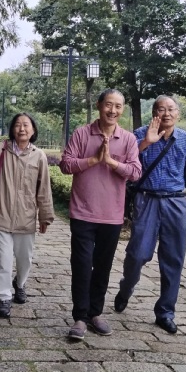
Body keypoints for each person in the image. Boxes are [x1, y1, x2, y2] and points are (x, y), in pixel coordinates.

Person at [114, 95, 186, 334]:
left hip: (176, 202)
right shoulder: (139, 134)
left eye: (171, 109)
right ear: (154, 112)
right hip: (147, 200)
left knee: (173, 258)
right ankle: (126, 288)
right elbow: (125, 163)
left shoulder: (185, 139)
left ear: (178, 113)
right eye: (161, 109)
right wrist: (146, 141)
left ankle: (165, 312)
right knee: (138, 254)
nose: (166, 114)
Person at [60, 89, 142, 340]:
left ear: (122, 110)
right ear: (99, 105)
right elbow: (65, 164)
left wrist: (111, 162)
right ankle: (80, 317)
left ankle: (95, 313)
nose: (112, 110)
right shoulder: (82, 134)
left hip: (112, 216)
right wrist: (94, 160)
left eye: (118, 106)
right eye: (108, 105)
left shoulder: (128, 139)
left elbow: (136, 172)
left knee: (103, 267)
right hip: (83, 213)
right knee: (82, 265)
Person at [0, 113, 54, 318]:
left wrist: (45, 216)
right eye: (18, 125)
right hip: (2, 214)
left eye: (26, 125)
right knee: (2, 260)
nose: (22, 129)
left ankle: (20, 283)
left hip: (27, 217)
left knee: (24, 260)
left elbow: (44, 189)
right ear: (12, 129)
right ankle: (4, 298)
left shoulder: (39, 156)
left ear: (33, 130)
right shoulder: (1, 149)